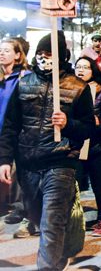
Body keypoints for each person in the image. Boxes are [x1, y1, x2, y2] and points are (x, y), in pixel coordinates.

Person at [0, 31, 95, 270]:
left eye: (49, 54)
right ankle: (58, 255)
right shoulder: (24, 84)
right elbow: (11, 125)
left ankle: (47, 266)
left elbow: (87, 129)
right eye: (40, 54)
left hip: (60, 162)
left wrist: (68, 124)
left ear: (62, 57)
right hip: (28, 164)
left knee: (52, 220)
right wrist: (4, 160)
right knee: (37, 217)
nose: (43, 58)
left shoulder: (78, 87)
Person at [74, 56, 101, 237]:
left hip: (96, 146)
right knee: (72, 185)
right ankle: (73, 221)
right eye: (78, 67)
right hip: (74, 146)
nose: (80, 70)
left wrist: (99, 122)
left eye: (85, 67)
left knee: (98, 185)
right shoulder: (70, 90)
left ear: (93, 71)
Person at [0, 39, 31, 226]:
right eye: (0, 50)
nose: (1, 53)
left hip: (17, 129)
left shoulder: (25, 77)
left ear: (18, 55)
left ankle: (20, 206)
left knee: (18, 169)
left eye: (6, 50)